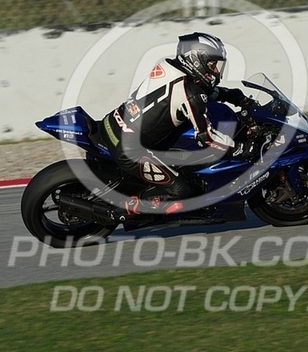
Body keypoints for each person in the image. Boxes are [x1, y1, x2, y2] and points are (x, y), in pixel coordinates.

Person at [99, 32, 257, 216]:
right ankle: (122, 209)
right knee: (181, 191)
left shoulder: (169, 67)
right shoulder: (190, 93)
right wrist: (239, 148)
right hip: (129, 150)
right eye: (212, 65)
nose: (216, 71)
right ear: (196, 61)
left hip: (112, 124)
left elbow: (200, 92)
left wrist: (233, 95)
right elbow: (207, 137)